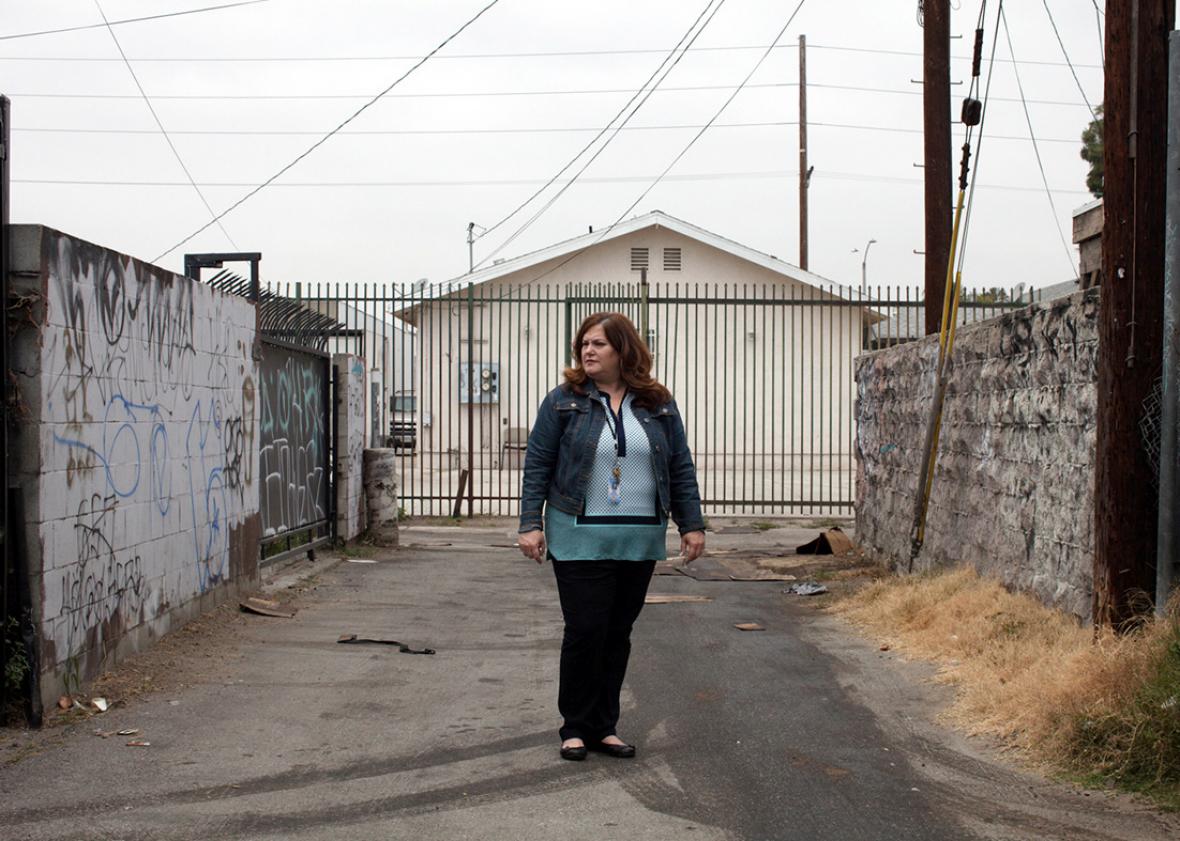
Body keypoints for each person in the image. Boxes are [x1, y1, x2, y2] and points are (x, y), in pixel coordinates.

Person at [518, 311, 706, 762]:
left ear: (624, 349)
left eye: (598, 343)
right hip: (578, 533)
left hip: (638, 537)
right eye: (584, 343)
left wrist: (692, 523)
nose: (587, 350)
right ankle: (575, 727)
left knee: (618, 632)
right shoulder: (564, 400)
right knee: (586, 629)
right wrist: (530, 523)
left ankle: (605, 726)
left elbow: (679, 465)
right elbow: (538, 463)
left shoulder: (656, 402)